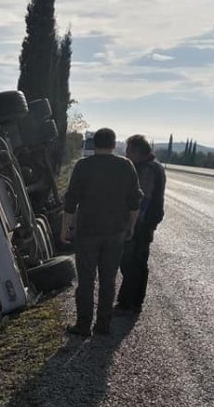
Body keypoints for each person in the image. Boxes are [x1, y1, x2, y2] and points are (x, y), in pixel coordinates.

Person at [61, 127, 142, 337]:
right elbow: (134, 202)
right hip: (115, 233)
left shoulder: (83, 166)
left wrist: (66, 229)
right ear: (114, 145)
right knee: (108, 280)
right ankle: (103, 325)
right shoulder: (126, 166)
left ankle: (83, 325)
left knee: (86, 281)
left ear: (93, 144)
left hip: (87, 232)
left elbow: (71, 202)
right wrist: (130, 226)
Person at [115, 134, 166, 313]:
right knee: (140, 262)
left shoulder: (146, 170)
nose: (127, 154)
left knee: (131, 262)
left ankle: (126, 303)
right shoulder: (156, 166)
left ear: (137, 151)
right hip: (147, 223)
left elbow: (142, 200)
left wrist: (131, 224)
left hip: (140, 224)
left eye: (128, 151)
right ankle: (136, 301)